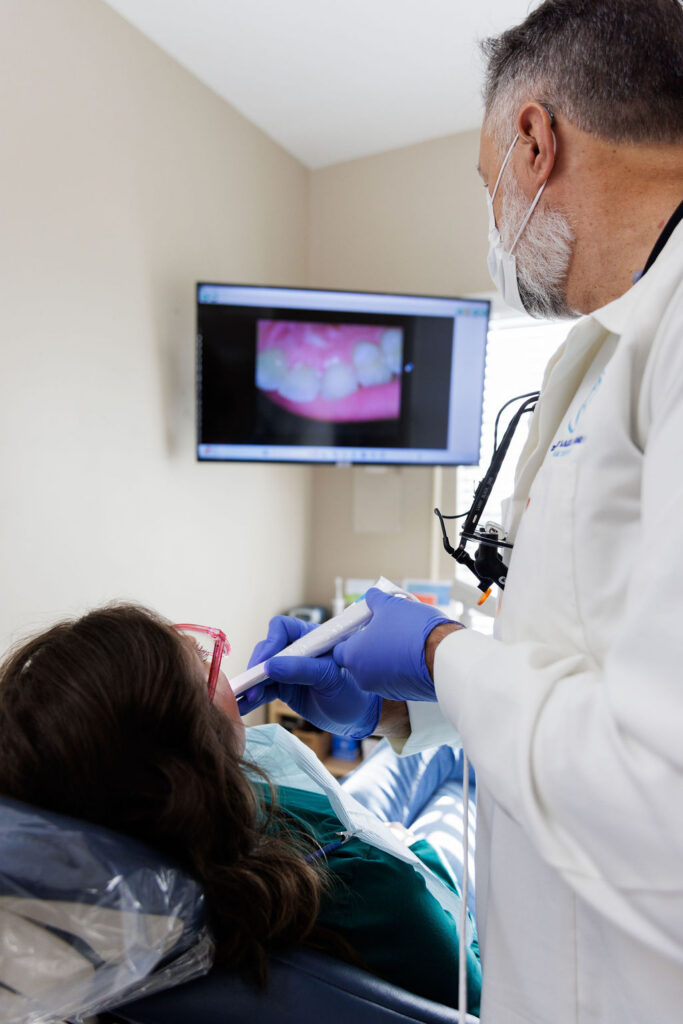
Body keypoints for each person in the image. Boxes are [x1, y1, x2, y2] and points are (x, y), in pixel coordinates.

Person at [237, 1, 683, 1021]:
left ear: (532, 140)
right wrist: (401, 699)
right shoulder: (611, 349)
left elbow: (659, 795)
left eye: (488, 186)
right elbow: (590, 671)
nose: (495, 220)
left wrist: (439, 652)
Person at [0, 603, 481, 1012]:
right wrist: (444, 661)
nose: (224, 666)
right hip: (421, 876)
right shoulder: (377, 890)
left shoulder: (152, 836)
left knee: (440, 754)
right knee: (459, 758)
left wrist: (382, 714)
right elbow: (478, 994)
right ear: (192, 749)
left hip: (339, 837)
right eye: (203, 663)